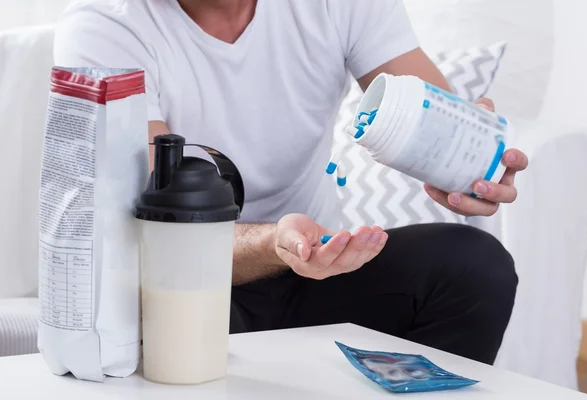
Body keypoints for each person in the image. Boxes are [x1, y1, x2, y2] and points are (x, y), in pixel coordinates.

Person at [55, 0, 528, 365]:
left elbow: (436, 116)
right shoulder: (103, 27)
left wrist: (466, 162)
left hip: (314, 272)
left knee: (472, 265)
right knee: (159, 317)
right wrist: (275, 242)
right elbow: (159, 235)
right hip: (185, 282)